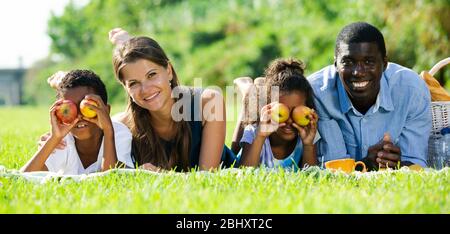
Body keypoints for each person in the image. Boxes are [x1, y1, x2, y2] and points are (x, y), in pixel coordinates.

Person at [307, 22, 431, 170]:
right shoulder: (318, 93)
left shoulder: (412, 91)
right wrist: (367, 164)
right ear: (336, 64)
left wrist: (398, 165)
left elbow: (416, 163)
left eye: (368, 62)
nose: (358, 72)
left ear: (384, 64)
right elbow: (334, 171)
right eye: (348, 62)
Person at [110, 29, 228, 172]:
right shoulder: (121, 126)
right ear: (125, 88)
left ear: (169, 71)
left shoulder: (208, 102)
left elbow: (208, 176)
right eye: (134, 83)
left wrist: (160, 174)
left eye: (152, 75)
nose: (145, 89)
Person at [22, 70, 134, 174]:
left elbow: (111, 177)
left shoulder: (118, 133)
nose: (79, 116)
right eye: (69, 109)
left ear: (107, 110)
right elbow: (23, 178)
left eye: (88, 106)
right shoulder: (63, 141)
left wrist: (108, 130)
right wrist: (54, 139)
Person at [235, 58, 319, 170]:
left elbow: (312, 174)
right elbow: (245, 172)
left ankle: (255, 89)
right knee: (235, 148)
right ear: (268, 108)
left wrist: (309, 144)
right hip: (238, 156)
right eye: (281, 112)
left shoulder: (306, 134)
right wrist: (260, 136)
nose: (289, 121)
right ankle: (249, 90)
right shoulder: (256, 131)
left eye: (295, 112)